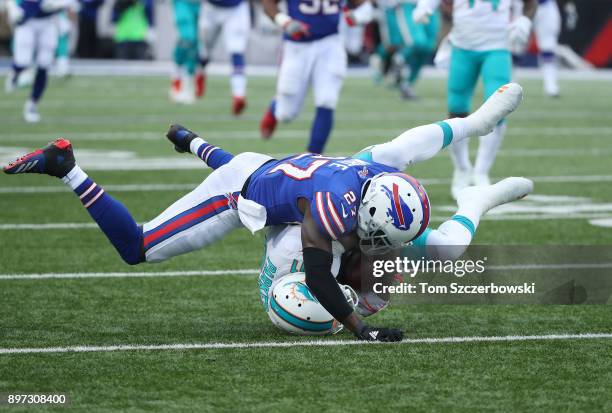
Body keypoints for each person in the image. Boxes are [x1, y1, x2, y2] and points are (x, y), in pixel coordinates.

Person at [3, 83, 528, 342]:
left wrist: (476, 121)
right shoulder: (325, 216)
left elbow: (421, 138)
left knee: (447, 248)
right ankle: (65, 165)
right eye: (382, 241)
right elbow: (320, 281)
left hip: (280, 174)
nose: (390, 251)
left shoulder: (376, 171)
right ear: (363, 221)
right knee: (137, 248)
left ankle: (480, 192)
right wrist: (361, 332)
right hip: (243, 191)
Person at [413, 0, 537, 197]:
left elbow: (530, 3)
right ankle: (462, 168)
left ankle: (481, 171)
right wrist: (425, 6)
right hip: (463, 45)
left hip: (497, 46)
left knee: (499, 108)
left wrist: (524, 18)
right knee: (456, 107)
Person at [258, 0, 374, 153]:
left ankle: (313, 158)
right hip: (296, 46)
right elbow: (267, 3)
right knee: (286, 114)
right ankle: (275, 107)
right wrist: (285, 21)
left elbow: (365, 6)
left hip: (330, 43)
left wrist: (357, 16)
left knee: (327, 100)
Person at [4, 0, 72, 122]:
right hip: (27, 20)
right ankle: (14, 73)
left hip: (48, 21)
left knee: (44, 64)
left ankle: (32, 105)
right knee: (23, 61)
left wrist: (60, 4)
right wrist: (12, 8)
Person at [374, 0, 440, 99]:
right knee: (417, 42)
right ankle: (399, 59)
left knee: (428, 47)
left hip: (432, 6)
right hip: (408, 5)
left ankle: (407, 84)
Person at [197, 0, 251, 115]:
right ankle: (200, 72)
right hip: (210, 8)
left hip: (235, 8)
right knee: (205, 49)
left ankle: (239, 95)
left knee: (237, 50)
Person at [169, 0, 201, 104]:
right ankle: (177, 79)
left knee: (196, 43)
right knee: (187, 38)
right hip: (182, 2)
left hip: (202, 4)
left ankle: (188, 84)